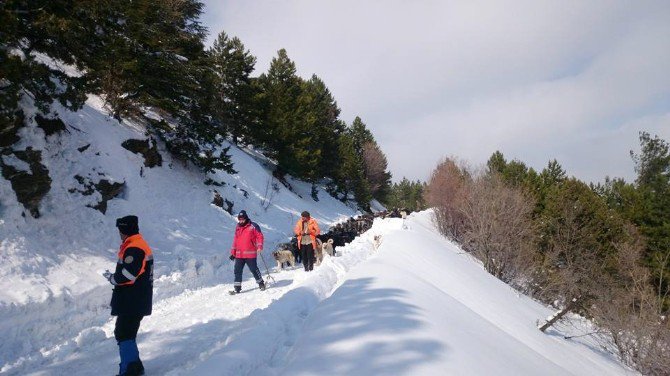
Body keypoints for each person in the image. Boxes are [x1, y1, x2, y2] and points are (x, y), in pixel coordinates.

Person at [102, 215, 153, 376]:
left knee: (124, 333)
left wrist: (113, 278)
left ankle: (130, 370)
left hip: (133, 299)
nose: (119, 233)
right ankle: (135, 367)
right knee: (126, 333)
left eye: (120, 230)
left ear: (124, 230)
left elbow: (129, 275)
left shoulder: (135, 247)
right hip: (135, 298)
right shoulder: (136, 244)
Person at [229, 210, 265, 294]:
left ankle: (261, 283)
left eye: (242, 219)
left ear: (246, 218)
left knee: (254, 269)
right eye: (239, 219)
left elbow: (260, 236)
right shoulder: (238, 227)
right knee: (237, 270)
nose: (241, 221)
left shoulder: (253, 226)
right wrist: (233, 252)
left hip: (250, 254)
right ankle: (237, 288)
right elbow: (236, 240)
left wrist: (259, 246)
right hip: (239, 254)